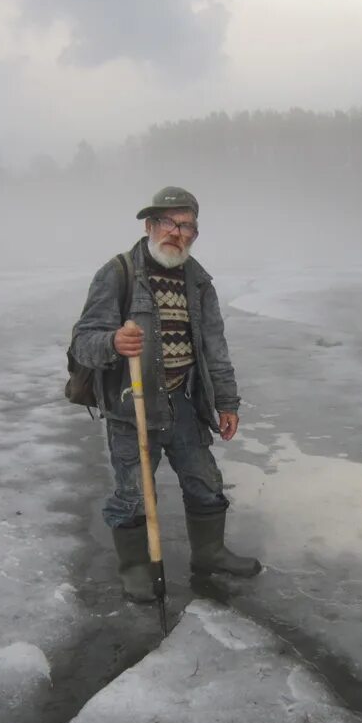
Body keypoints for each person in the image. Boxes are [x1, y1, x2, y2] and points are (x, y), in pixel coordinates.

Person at [69, 186, 261, 601]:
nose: (178, 232)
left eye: (187, 225)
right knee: (133, 493)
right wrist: (113, 343)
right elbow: (83, 341)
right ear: (150, 225)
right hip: (132, 407)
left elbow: (215, 346)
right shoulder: (118, 272)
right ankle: (137, 568)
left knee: (206, 483)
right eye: (169, 223)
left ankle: (210, 554)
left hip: (186, 403)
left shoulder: (198, 280)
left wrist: (226, 402)